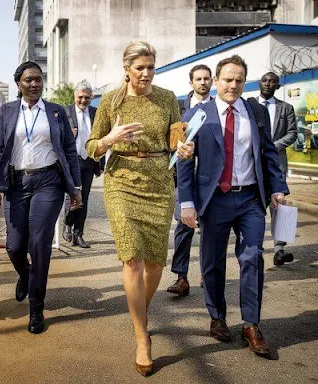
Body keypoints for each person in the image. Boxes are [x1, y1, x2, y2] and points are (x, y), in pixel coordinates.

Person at [85, 41, 193, 376]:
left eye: (150, 67)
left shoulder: (167, 99)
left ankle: (139, 313)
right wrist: (109, 140)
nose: (146, 74)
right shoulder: (110, 102)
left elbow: (177, 141)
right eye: (139, 68)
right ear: (127, 68)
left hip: (159, 183)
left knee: (155, 263)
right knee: (132, 258)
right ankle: (142, 335)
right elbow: (92, 148)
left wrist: (184, 149)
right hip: (122, 182)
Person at [178, 55, 289, 358]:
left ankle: (251, 324)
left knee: (252, 257)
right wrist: (186, 202)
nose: (233, 85)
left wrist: (278, 187)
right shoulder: (198, 114)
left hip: (251, 198)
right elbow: (186, 163)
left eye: (239, 79)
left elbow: (267, 151)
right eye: (228, 79)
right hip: (214, 200)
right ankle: (217, 316)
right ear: (216, 81)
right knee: (212, 261)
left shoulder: (254, 111)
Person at [0, 61, 82, 335]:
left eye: (38, 79)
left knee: (39, 244)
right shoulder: (6, 111)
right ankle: (26, 275)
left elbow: (68, 149)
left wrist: (75, 187)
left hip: (48, 182)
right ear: (18, 83)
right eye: (28, 79)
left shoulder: (55, 112)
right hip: (16, 183)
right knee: (15, 246)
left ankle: (36, 306)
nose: (34, 84)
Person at [168, 64, 214, 297]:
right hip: (185, 180)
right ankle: (181, 277)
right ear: (191, 82)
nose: (203, 82)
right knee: (183, 228)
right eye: (199, 79)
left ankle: (208, 275)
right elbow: (174, 147)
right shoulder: (179, 110)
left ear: (212, 81)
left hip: (211, 181)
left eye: (207, 78)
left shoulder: (218, 108)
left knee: (209, 230)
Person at [250, 72, 298, 266]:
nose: (268, 83)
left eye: (272, 81)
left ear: (278, 86)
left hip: (276, 161)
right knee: (255, 203)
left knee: (279, 202)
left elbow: (293, 133)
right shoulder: (250, 105)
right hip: (253, 162)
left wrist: (272, 146)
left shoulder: (286, 108)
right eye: (264, 80)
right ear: (259, 83)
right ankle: (255, 246)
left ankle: (280, 249)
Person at [62, 80, 102, 248]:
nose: (83, 101)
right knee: (72, 195)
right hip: (72, 161)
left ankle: (79, 233)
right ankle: (67, 224)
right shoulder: (65, 113)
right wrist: (66, 134)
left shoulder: (96, 113)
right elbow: (56, 136)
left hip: (89, 161)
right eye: (80, 97)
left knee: (84, 198)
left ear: (91, 97)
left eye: (87, 97)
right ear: (74, 96)